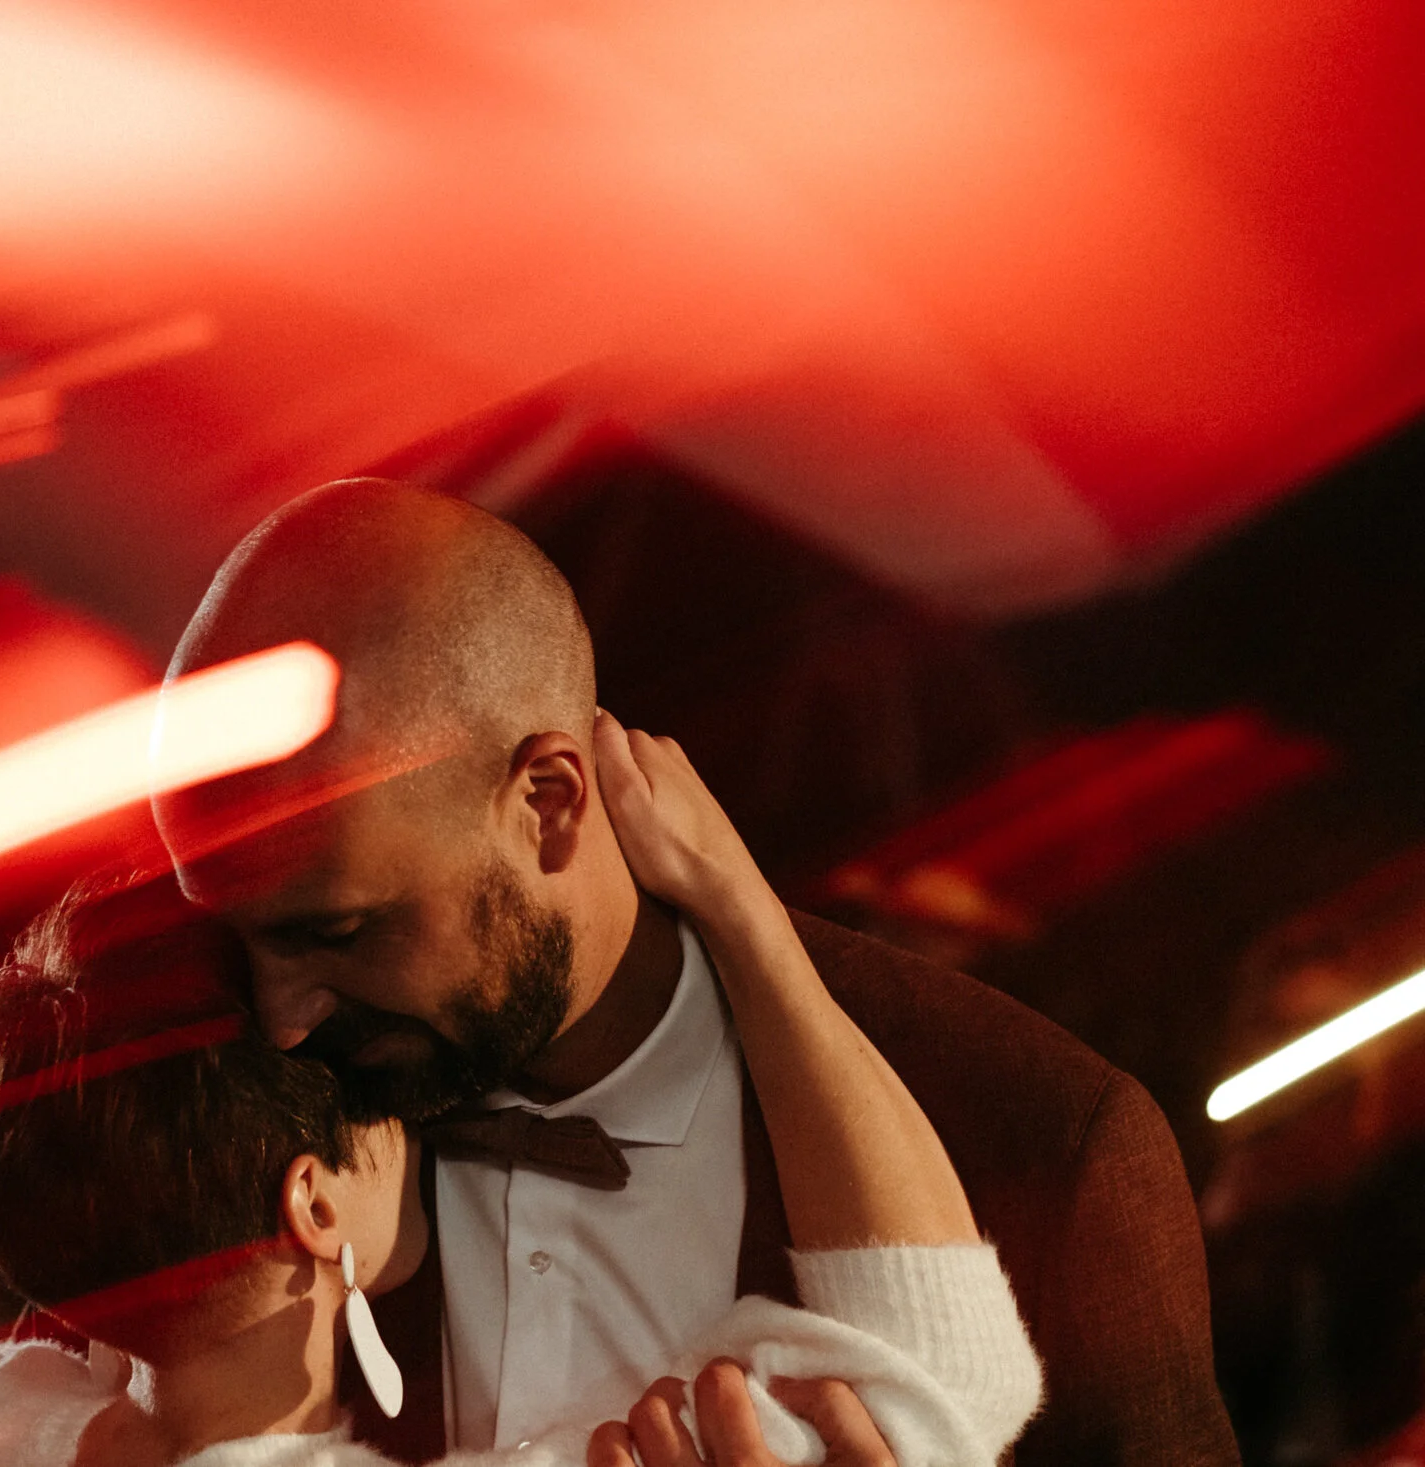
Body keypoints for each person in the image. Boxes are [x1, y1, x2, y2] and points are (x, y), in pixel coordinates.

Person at [151, 478, 1238, 1465]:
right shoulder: (227, 1124)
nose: (279, 1020)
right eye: (241, 936)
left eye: (338, 931)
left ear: (548, 804)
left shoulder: (1040, 1137)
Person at [0, 863, 1041, 1467]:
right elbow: (945, 1373)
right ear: (311, 1203)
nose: (417, 1119)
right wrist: (740, 914)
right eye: (373, 1094)